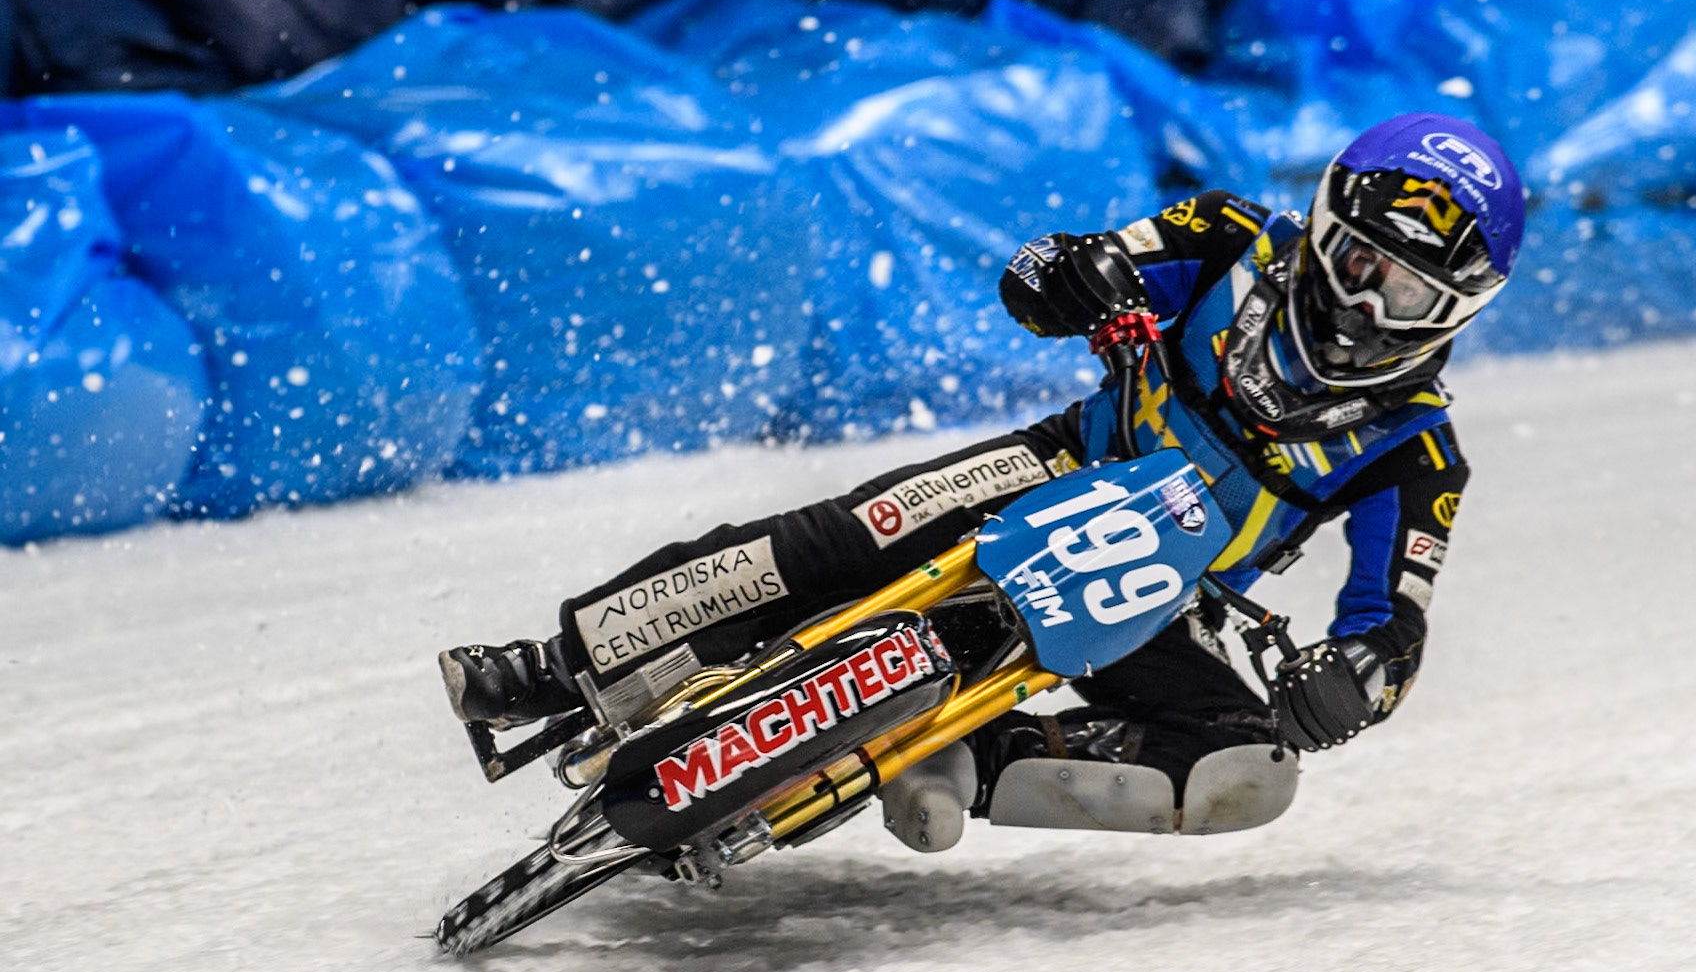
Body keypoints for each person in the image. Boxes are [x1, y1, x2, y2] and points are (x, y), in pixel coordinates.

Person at [437, 112, 1524, 845]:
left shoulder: (1417, 454)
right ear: (1321, 226)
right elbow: (1053, 261)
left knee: (1246, 768)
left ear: (1457, 317)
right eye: (1356, 264)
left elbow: (1394, 631)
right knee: (841, 536)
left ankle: (964, 750)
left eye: (1406, 297)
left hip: (1162, 593)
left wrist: (1347, 684)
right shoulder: (1226, 231)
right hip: (1057, 463)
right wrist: (1066, 275)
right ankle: (560, 660)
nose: (1363, 308)